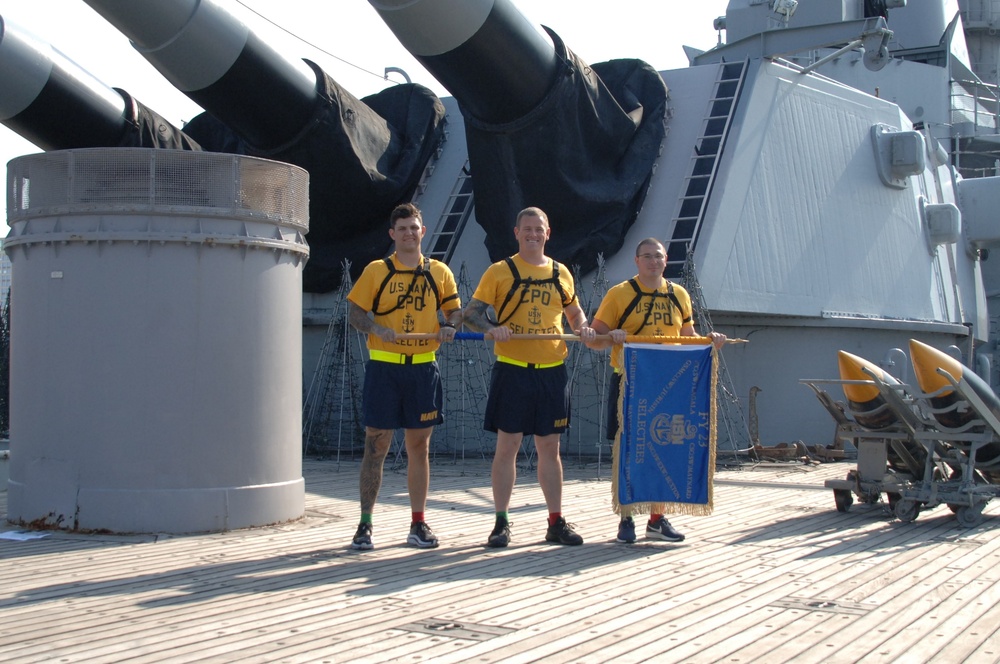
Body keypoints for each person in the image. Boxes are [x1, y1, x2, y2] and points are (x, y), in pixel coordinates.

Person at [463, 207, 596, 547]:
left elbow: (574, 312)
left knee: (550, 448)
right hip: (513, 369)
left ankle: (555, 521)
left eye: (539, 229)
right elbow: (471, 315)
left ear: (548, 233)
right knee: (507, 446)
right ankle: (501, 522)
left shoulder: (561, 272)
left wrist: (582, 327)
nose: (533, 234)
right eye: (527, 228)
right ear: (516, 232)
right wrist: (492, 328)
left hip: (552, 371)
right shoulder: (500, 271)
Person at [582, 238, 725, 544]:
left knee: (664, 446)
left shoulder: (679, 295)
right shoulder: (619, 294)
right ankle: (627, 517)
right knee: (628, 449)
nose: (653, 261)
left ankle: (657, 519)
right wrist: (612, 337)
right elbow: (594, 339)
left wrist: (709, 340)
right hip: (630, 382)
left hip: (669, 383)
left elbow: (687, 337)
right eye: (646, 256)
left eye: (658, 256)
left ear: (666, 260)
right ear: (636, 261)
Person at [346, 202, 463, 550]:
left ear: (422, 231)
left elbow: (455, 311)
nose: (409, 233)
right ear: (392, 234)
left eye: (414, 227)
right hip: (384, 368)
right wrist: (376, 328)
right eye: (402, 228)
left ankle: (418, 523)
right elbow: (355, 313)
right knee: (376, 445)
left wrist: (449, 326)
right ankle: (365, 525)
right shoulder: (376, 271)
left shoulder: (439, 271)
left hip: (423, 368)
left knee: (419, 447)